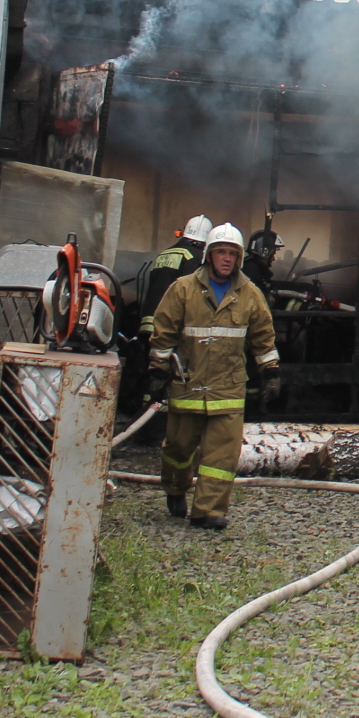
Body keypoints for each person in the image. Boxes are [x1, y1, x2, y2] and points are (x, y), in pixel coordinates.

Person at [147, 222, 280, 529]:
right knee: (178, 449)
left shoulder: (250, 294)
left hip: (228, 387)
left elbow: (263, 337)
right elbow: (164, 332)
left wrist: (271, 372)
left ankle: (208, 510)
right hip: (188, 384)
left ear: (239, 258)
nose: (226, 259)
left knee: (222, 456)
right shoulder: (183, 289)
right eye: (221, 252)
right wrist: (157, 370)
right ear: (209, 255)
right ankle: (175, 488)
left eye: (232, 254)